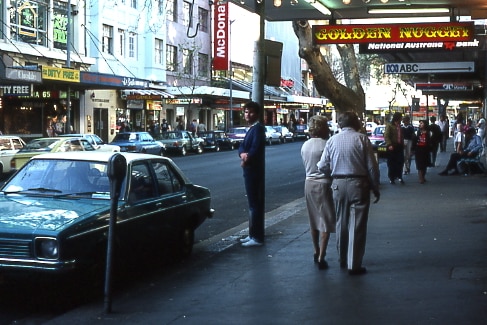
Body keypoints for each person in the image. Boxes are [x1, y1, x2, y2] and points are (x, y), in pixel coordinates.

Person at [317, 111, 380, 275]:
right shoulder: (362, 139)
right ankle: (354, 263)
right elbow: (372, 166)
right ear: (356, 123)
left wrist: (333, 174)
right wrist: (375, 186)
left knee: (341, 222)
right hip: (358, 183)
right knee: (357, 224)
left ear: (340, 124)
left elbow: (322, 166)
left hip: (338, 183)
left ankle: (342, 259)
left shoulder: (332, 141)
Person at [300, 115, 336, 270]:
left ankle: (315, 250)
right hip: (323, 183)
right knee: (325, 220)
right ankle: (322, 255)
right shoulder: (327, 144)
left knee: (313, 219)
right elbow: (331, 166)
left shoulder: (305, 145)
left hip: (308, 183)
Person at [238, 101, 266, 247]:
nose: (247, 115)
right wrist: (242, 154)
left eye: (250, 112)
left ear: (257, 114)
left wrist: (246, 158)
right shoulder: (251, 129)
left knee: (254, 204)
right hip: (249, 169)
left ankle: (256, 237)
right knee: (252, 204)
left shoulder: (258, 129)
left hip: (253, 171)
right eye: (246, 112)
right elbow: (242, 146)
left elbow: (255, 149)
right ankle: (252, 234)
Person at [384, 112, 404, 184]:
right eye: (401, 117)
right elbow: (386, 135)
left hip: (399, 146)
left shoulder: (399, 126)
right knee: (392, 163)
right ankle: (392, 177)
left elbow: (401, 136)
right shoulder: (390, 126)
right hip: (392, 146)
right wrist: (389, 144)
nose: (402, 119)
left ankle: (399, 176)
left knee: (400, 161)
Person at [412, 120, 431, 184]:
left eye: (421, 123)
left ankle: (423, 176)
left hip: (425, 149)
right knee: (419, 164)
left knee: (424, 164)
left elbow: (429, 141)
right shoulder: (418, 132)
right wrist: (413, 149)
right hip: (418, 149)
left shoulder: (428, 132)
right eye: (420, 123)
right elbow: (414, 140)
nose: (420, 124)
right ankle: (421, 178)